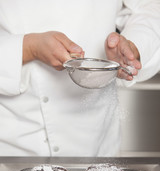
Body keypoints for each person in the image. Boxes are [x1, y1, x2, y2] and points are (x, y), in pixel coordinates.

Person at [0, 0, 160, 156]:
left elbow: (151, 6)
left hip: (97, 138)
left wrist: (135, 46)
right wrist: (29, 47)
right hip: (15, 141)